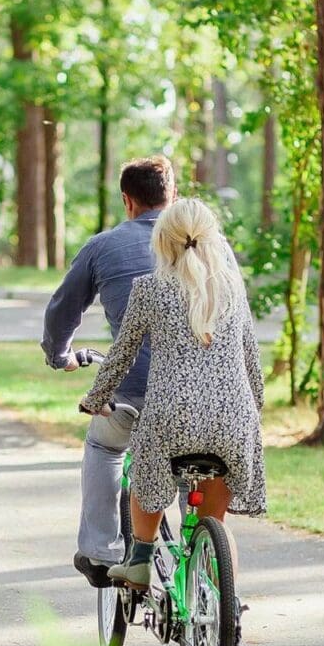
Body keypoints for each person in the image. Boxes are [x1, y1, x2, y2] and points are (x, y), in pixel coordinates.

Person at [77, 198, 266, 588]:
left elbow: (122, 355)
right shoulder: (233, 289)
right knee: (214, 521)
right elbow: (251, 358)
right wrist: (254, 410)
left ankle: (140, 560)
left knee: (144, 473)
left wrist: (95, 399)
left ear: (163, 241)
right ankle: (223, 599)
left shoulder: (150, 288)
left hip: (171, 419)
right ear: (212, 240)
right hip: (233, 420)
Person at [42, 155, 175, 588]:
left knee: (105, 447)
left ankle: (100, 551)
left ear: (127, 200)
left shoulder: (103, 247)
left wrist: (59, 355)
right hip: (197, 395)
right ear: (172, 197)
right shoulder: (200, 245)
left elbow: (62, 309)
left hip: (131, 395)